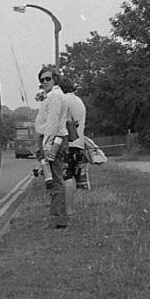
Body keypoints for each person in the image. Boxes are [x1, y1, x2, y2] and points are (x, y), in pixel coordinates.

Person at [34, 65, 69, 228]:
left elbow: (53, 122)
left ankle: (58, 219)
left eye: (48, 78)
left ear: (55, 79)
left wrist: (47, 145)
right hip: (53, 139)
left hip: (53, 141)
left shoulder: (55, 96)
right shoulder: (53, 95)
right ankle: (57, 218)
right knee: (52, 179)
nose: (44, 82)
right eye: (42, 80)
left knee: (55, 180)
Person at [59, 77, 87, 214]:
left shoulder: (64, 100)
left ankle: (68, 210)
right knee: (73, 177)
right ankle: (71, 208)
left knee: (66, 176)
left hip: (68, 143)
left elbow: (62, 122)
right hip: (79, 143)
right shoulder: (78, 101)